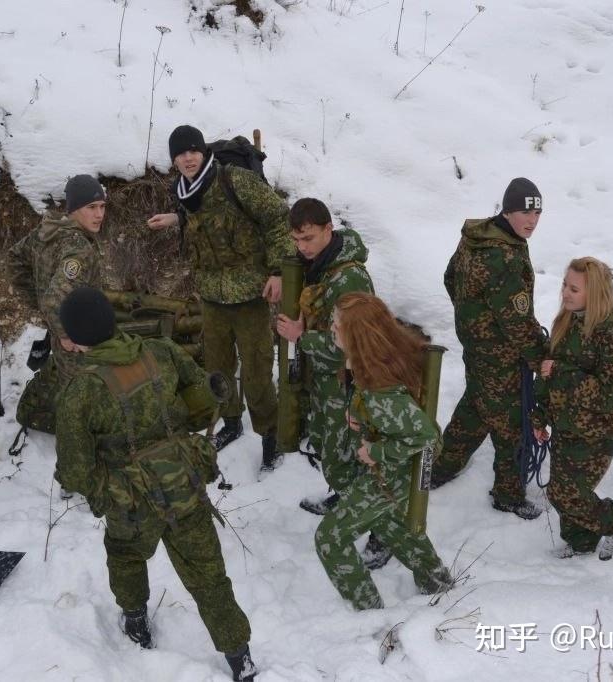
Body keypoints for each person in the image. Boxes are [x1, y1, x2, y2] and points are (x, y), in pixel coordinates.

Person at [55, 287, 257, 681]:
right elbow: (201, 402)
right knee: (209, 576)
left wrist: (109, 492)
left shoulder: (79, 392)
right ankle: (240, 658)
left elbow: (76, 471)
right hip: (185, 483)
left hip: (131, 503)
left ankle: (136, 623)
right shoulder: (161, 351)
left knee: (126, 556)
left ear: (73, 340)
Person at [147, 125, 294, 472]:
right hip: (211, 296)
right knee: (218, 367)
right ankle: (231, 423)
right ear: (174, 160)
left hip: (249, 296)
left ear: (204, 152)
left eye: (193, 151)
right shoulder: (183, 192)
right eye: (180, 154)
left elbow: (277, 218)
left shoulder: (235, 181)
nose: (188, 158)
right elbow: (203, 218)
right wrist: (175, 217)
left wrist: (277, 271)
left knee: (257, 373)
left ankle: (270, 436)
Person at [314, 292, 452, 609]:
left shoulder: (380, 387)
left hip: (396, 468)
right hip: (400, 466)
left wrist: (375, 452)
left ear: (357, 335)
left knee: (330, 538)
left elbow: (424, 436)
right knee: (389, 523)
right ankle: (437, 581)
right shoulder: (379, 361)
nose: (332, 329)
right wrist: (362, 419)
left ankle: (370, 613)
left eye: (337, 325)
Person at [274, 198, 392, 565]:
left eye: (308, 238)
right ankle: (345, 498)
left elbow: (354, 346)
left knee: (358, 458)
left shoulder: (348, 277)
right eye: (296, 240)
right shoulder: (322, 265)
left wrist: (300, 337)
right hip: (328, 384)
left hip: (350, 384)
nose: (302, 248)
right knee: (331, 450)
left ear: (329, 230)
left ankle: (385, 533)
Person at [431, 178, 549, 520]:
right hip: (500, 355)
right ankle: (508, 494)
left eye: (538, 212)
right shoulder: (505, 256)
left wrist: (472, 319)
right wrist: (540, 357)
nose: (532, 219)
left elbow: (450, 277)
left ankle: (442, 468)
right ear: (507, 210)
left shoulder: (478, 237)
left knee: (476, 407)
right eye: (525, 211)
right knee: (511, 423)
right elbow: (517, 322)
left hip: (477, 348)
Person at [531, 257, 613, 559]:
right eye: (565, 285)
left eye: (574, 289)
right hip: (567, 424)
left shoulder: (612, 339)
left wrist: (563, 372)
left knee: (570, 493)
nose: (565, 293)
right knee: (560, 491)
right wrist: (541, 415)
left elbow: (612, 397)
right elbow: (546, 374)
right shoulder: (566, 322)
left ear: (595, 294)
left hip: (596, 431)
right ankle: (581, 542)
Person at [8, 174, 106, 489]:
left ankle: (72, 474)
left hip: (65, 334)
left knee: (71, 403)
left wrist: (39, 305)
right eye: (92, 207)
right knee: (80, 411)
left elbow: (14, 260)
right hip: (78, 343)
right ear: (75, 208)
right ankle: (74, 478)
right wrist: (66, 333)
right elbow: (56, 297)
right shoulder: (78, 248)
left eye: (102, 206)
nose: (99, 214)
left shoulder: (47, 232)